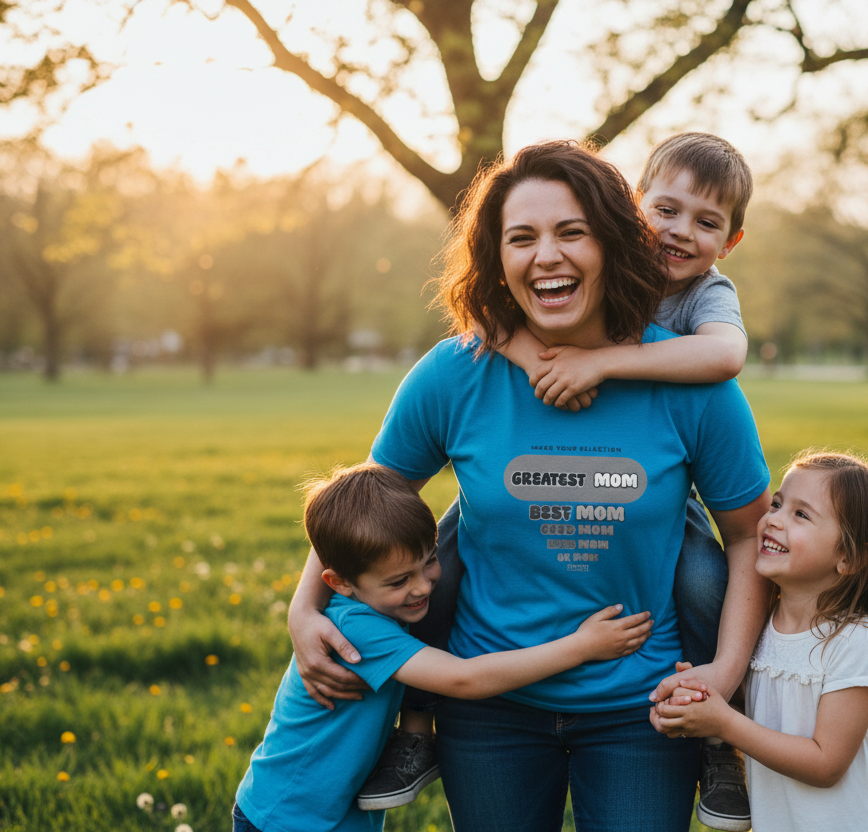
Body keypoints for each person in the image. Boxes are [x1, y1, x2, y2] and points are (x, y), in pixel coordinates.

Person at [287, 140, 772, 832]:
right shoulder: (458, 372)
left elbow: (750, 532)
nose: (546, 255)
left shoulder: (690, 380)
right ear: (501, 258)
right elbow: (369, 499)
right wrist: (303, 611)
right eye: (522, 238)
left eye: (571, 232)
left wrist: (722, 676)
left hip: (644, 713)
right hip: (488, 714)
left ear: (613, 238)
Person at [233, 462, 652, 832]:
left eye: (430, 560)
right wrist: (580, 646)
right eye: (399, 581)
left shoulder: (382, 608)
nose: (422, 586)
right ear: (340, 584)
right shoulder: (356, 627)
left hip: (333, 809)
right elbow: (464, 679)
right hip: (287, 814)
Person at [653, 452, 868, 832]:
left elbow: (825, 764)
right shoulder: (762, 629)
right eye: (778, 504)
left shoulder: (856, 640)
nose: (772, 520)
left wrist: (725, 723)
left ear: (848, 557)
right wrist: (698, 696)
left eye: (800, 515)